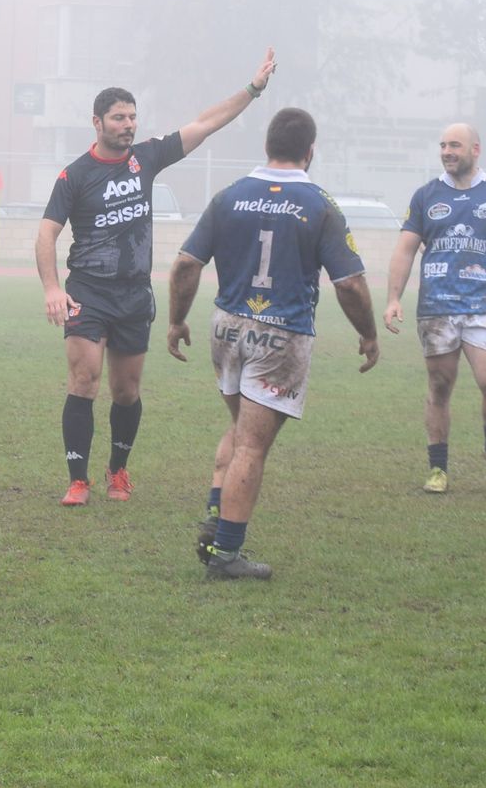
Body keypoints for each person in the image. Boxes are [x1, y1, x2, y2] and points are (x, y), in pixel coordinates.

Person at [37, 48, 278, 508]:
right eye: (118, 118)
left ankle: (118, 471)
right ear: (97, 123)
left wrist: (252, 90)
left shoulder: (146, 159)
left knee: (126, 391)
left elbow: (206, 123)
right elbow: (47, 233)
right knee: (84, 381)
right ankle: (77, 480)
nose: (128, 125)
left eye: (132, 117)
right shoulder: (75, 175)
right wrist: (52, 288)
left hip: (133, 295)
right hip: (87, 290)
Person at [166, 107, 379, 580]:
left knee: (242, 427)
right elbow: (350, 284)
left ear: (266, 145)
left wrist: (177, 320)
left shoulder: (229, 196)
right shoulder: (321, 204)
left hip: (224, 327)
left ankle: (216, 514)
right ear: (310, 151)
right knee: (253, 447)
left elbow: (184, 265)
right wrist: (368, 332)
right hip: (280, 335)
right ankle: (225, 556)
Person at [383, 123, 486, 493]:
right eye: (442, 145)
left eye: (455, 145)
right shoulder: (425, 196)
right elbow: (405, 249)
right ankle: (438, 469)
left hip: (483, 304)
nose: (447, 151)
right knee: (439, 385)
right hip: (436, 305)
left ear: (476, 149)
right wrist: (392, 298)